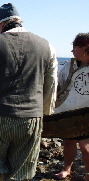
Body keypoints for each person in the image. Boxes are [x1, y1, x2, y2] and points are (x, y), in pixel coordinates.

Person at [0, 3, 58, 181]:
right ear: (19, 21)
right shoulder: (47, 46)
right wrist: (44, 111)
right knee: (21, 170)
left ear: (0, 24)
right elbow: (51, 84)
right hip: (30, 118)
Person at [54, 33, 89, 180]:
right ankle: (67, 169)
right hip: (71, 111)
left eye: (75, 47)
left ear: (86, 48)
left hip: (87, 113)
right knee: (69, 141)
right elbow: (58, 84)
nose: (72, 51)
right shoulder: (70, 65)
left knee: (85, 145)